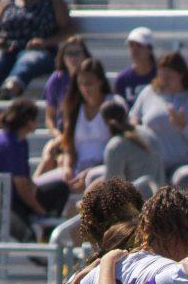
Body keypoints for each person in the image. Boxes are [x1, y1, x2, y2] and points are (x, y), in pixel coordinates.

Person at [0, 98, 67, 243]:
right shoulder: (8, 143)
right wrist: (40, 210)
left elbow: (27, 182)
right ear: (27, 120)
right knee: (28, 236)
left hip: (14, 199)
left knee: (60, 188)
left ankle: (47, 235)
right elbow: (21, 186)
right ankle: (47, 261)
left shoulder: (21, 141)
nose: (37, 122)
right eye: (34, 118)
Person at [34, 57, 126, 195]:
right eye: (81, 84)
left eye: (89, 83)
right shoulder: (74, 107)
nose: (85, 88)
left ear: (100, 81)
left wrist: (89, 171)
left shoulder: (115, 104)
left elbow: (121, 145)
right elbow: (69, 144)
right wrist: (67, 167)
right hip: (78, 169)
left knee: (91, 180)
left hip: (106, 169)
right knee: (37, 186)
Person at [131, 51, 188, 191]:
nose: (165, 81)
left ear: (181, 74)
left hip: (182, 163)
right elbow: (133, 118)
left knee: (185, 178)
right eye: (161, 75)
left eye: (169, 76)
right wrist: (136, 130)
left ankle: (182, 212)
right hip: (151, 163)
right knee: (141, 186)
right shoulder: (149, 93)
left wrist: (184, 128)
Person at [101, 102, 164, 195]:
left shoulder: (115, 145)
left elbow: (111, 188)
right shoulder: (150, 134)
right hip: (159, 199)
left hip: (136, 204)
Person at [43, 36, 92, 136]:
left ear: (85, 55)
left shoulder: (92, 76)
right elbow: (49, 117)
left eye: (77, 53)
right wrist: (58, 136)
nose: (73, 58)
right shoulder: (56, 79)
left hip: (89, 131)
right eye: (69, 53)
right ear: (63, 56)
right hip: (64, 132)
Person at [115, 27, 158, 107]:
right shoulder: (122, 79)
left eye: (139, 45)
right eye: (131, 45)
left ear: (150, 49)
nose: (134, 49)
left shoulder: (160, 76)